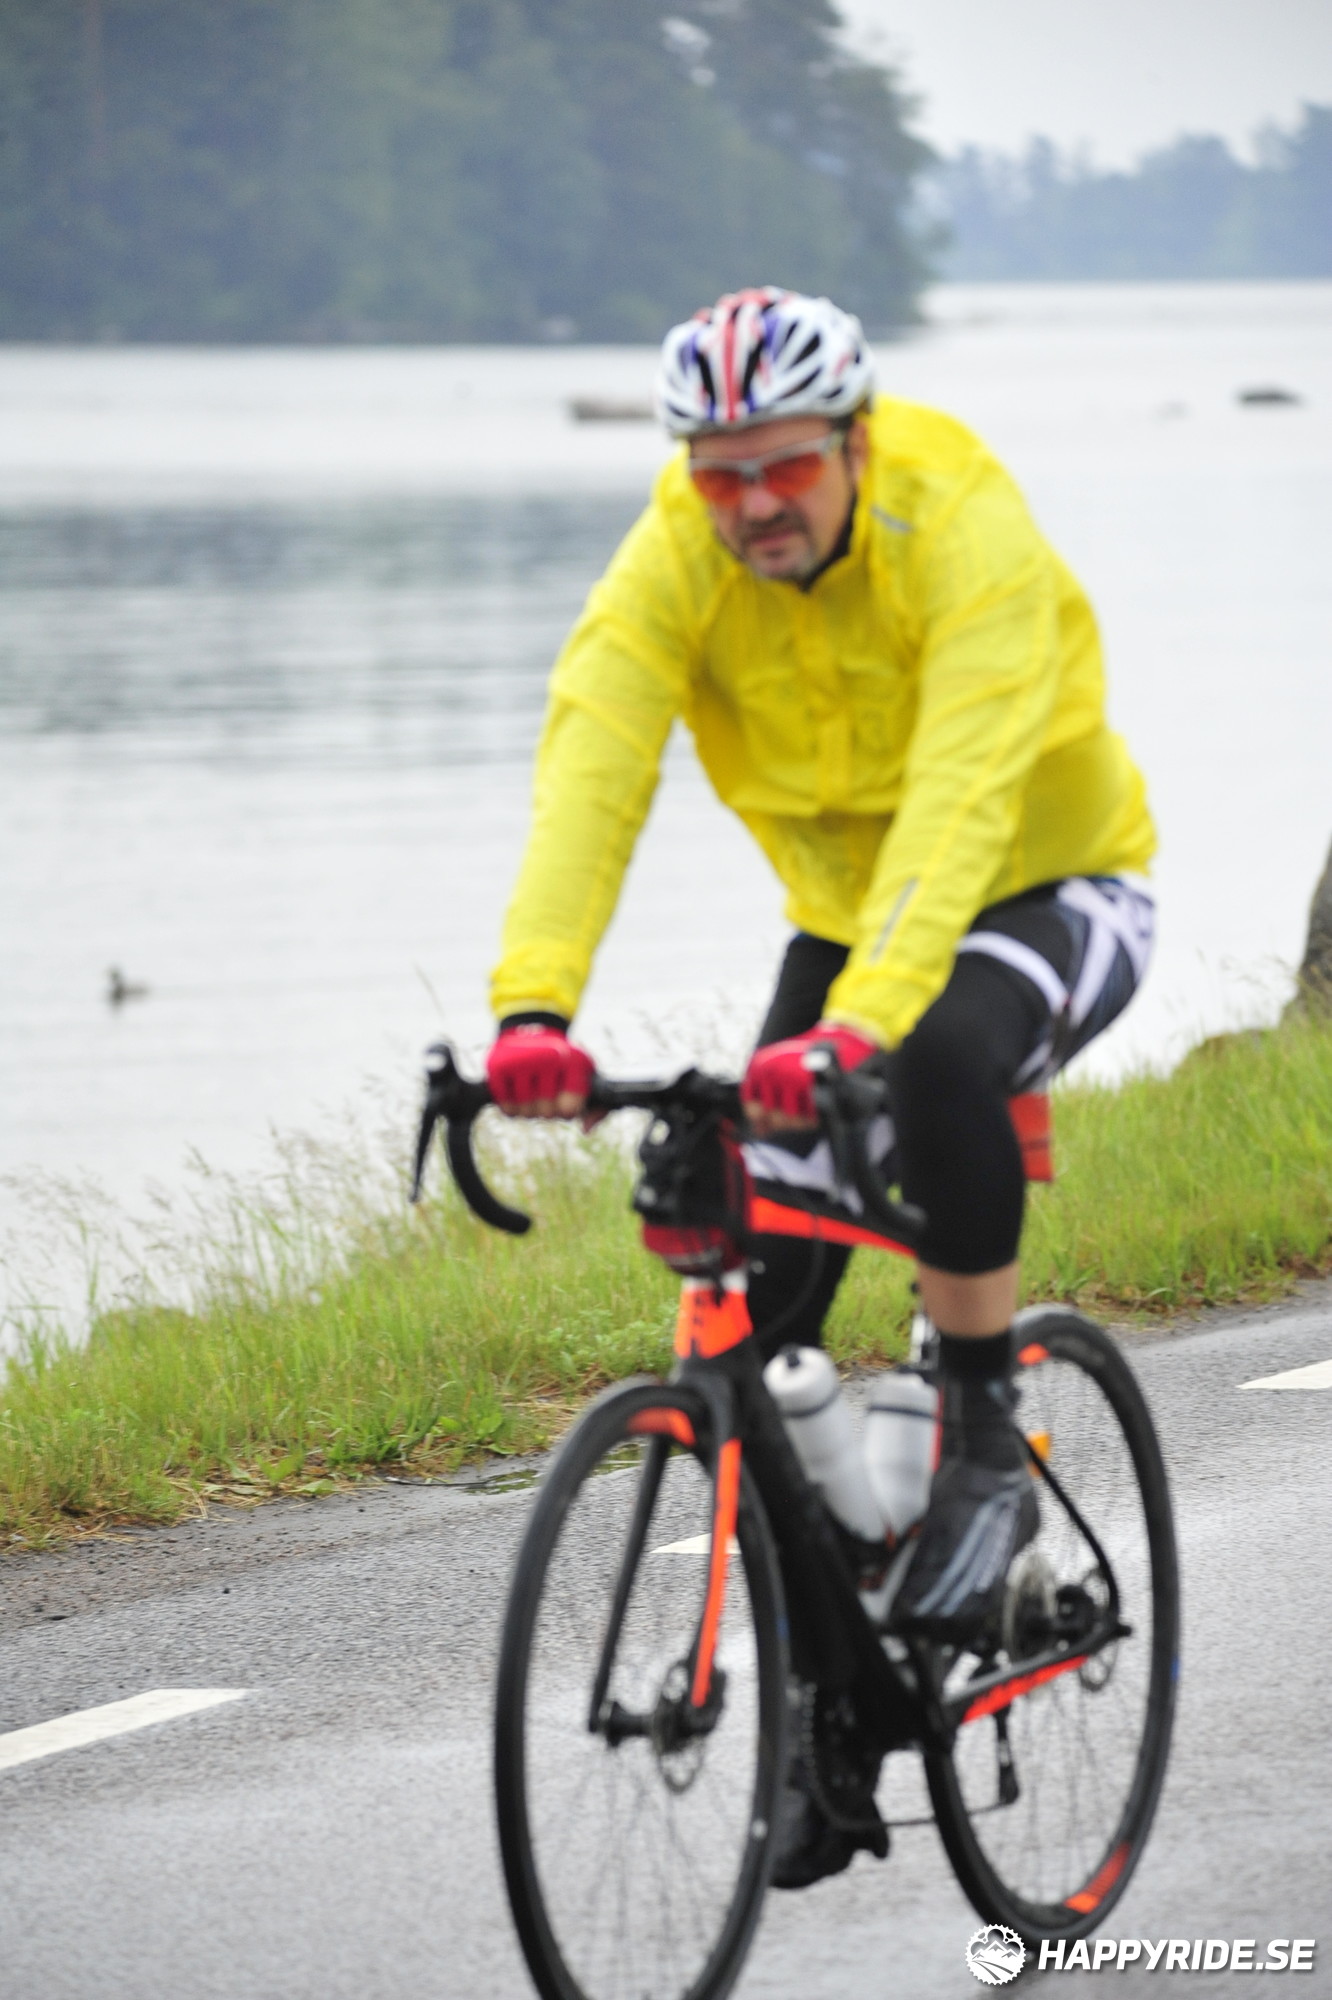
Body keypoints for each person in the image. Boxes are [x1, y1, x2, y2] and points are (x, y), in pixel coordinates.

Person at [484, 286, 1156, 1884]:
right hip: (854, 923)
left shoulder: (959, 521)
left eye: (784, 464)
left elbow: (963, 796)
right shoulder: (681, 551)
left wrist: (857, 1027)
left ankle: (982, 1441)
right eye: (719, 474)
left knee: (940, 1061)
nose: (752, 504)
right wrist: (532, 1003)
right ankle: (828, 1706)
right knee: (752, 1293)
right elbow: (596, 752)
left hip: (1049, 885)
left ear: (854, 441)